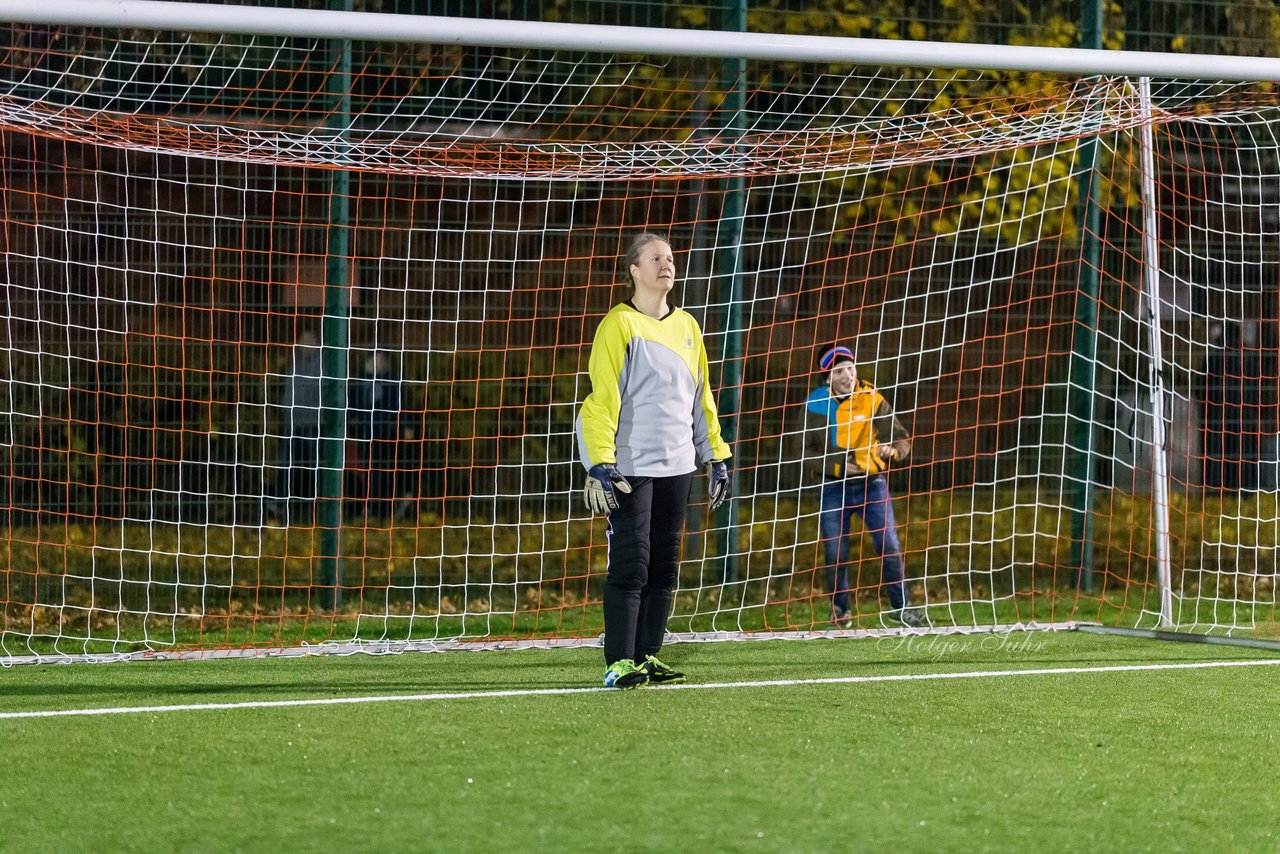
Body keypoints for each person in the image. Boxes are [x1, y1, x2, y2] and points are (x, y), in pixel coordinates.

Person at [576, 232, 732, 689]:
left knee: (664, 566)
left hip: (679, 468)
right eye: (656, 258)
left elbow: (702, 398)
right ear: (634, 271)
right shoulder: (618, 325)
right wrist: (600, 462)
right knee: (632, 564)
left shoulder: (688, 326)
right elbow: (602, 400)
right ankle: (618, 661)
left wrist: (715, 456)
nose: (667, 264)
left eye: (670, 257)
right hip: (631, 469)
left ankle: (646, 656)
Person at [803, 344, 926, 628]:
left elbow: (901, 437)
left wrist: (892, 451)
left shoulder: (872, 398)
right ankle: (840, 609)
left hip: (873, 485)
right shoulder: (815, 404)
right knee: (836, 551)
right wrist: (836, 467)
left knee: (889, 545)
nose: (848, 374)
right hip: (834, 487)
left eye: (850, 367)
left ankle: (902, 608)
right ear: (827, 378)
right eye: (839, 371)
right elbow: (802, 452)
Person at [269, 330, 322, 525]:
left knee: (315, 464)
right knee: (285, 463)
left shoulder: (321, 364)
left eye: (310, 339)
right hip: (292, 423)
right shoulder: (293, 362)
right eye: (303, 339)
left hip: (313, 423)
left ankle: (320, 504)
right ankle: (279, 503)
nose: (306, 343)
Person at [348, 350, 403, 522]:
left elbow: (399, 405)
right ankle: (366, 507)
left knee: (382, 470)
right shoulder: (358, 380)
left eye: (380, 360)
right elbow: (352, 403)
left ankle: (383, 509)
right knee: (364, 470)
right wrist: (351, 420)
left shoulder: (392, 382)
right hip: (363, 432)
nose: (376, 363)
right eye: (374, 359)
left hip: (384, 432)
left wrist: (404, 425)